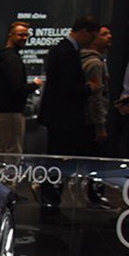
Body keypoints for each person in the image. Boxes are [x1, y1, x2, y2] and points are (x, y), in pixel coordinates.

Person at [38, 15, 100, 156]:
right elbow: (68, 87)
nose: (92, 42)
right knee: (62, 156)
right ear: (84, 32)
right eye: (92, 37)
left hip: (58, 116)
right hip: (64, 118)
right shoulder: (67, 52)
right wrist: (90, 88)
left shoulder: (62, 48)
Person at [0, 21, 40, 157]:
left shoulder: (3, 56)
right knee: (13, 151)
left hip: (0, 110)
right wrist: (35, 85)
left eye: (26, 35)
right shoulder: (11, 58)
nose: (24, 38)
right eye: (21, 34)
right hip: (9, 112)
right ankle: (9, 173)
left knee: (5, 149)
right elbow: (16, 88)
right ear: (10, 35)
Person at [80, 24, 112, 156]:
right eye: (104, 34)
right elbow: (95, 97)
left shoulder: (88, 60)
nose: (109, 36)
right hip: (90, 123)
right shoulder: (94, 63)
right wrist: (100, 126)